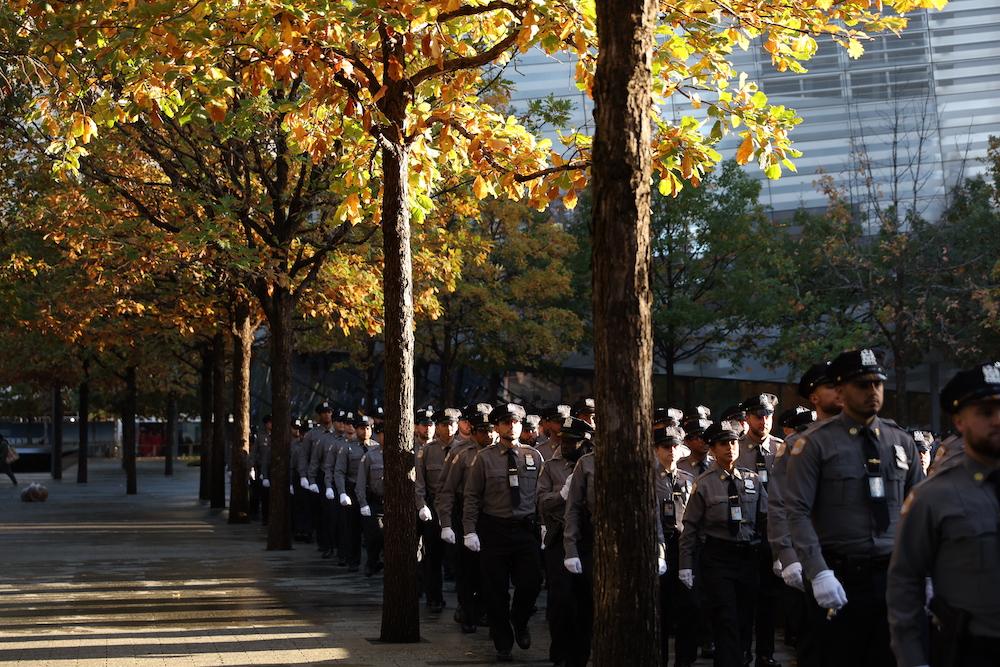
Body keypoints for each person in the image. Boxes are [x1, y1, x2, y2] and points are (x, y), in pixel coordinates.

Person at [784, 349, 924, 667]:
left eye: (877, 384)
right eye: (862, 384)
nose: (872, 392)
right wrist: (818, 572)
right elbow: (797, 511)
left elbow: (918, 511)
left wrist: (925, 571)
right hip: (839, 576)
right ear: (841, 389)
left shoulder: (900, 441)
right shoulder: (815, 444)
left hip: (891, 576)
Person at [887, 361, 1000, 667]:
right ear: (960, 421)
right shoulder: (933, 496)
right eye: (986, 412)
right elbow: (905, 583)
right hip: (971, 650)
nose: (998, 420)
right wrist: (912, 658)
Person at [679, 421, 768, 667]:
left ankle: (735, 659)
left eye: (732, 442)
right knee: (725, 617)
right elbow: (690, 527)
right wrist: (685, 565)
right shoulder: (705, 483)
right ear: (712, 449)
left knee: (744, 618)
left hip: (748, 556)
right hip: (718, 558)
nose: (730, 447)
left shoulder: (752, 480)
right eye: (722, 443)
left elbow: (766, 518)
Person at [463, 402, 542, 663]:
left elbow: (540, 495)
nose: (512, 426)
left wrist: (543, 526)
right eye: (506, 422)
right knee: (495, 592)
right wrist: (469, 530)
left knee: (531, 583)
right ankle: (503, 641)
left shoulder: (533, 455)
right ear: (497, 426)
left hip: (525, 530)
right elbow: (472, 497)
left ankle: (519, 620)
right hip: (494, 530)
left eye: (516, 421)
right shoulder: (483, 458)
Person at [538, 416, 594, 666]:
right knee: (561, 601)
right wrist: (561, 495)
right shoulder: (551, 466)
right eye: (565, 441)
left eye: (574, 442)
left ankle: (581, 654)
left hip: (588, 539)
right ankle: (560, 652)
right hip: (559, 537)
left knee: (585, 601)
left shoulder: (593, 465)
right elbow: (540, 501)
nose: (568, 446)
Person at [736, 394, 783, 667]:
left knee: (769, 598)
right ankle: (743, 651)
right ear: (748, 418)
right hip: (743, 530)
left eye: (767, 415)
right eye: (757, 415)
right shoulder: (736, 448)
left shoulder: (782, 449)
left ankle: (766, 654)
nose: (763, 421)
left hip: (773, 529)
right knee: (745, 597)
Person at [437, 404, 493, 628]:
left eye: (490, 429)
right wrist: (447, 523)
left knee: (489, 568)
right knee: (467, 568)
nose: (486, 435)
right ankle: (468, 611)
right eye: (480, 429)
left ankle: (484, 609)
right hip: (465, 514)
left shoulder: (502, 452)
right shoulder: (459, 452)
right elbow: (446, 489)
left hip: (491, 515)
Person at [654, 424, 698, 667]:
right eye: (665, 447)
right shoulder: (648, 479)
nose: (671, 451)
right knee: (661, 612)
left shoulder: (688, 479)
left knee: (689, 609)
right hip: (659, 549)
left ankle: (685, 661)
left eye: (675, 447)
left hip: (684, 549)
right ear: (656, 449)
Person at [415, 407, 460, 611]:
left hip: (458, 507)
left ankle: (464, 602)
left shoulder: (464, 449)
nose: (448, 428)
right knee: (432, 555)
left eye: (452, 424)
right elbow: (420, 482)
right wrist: (421, 504)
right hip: (434, 506)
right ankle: (434, 597)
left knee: (459, 557)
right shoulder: (427, 451)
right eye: (443, 424)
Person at [333, 413, 368, 572]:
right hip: (352, 490)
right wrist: (341, 492)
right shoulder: (347, 447)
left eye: (368, 428)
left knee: (373, 529)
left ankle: (373, 561)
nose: (365, 431)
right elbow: (339, 471)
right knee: (352, 528)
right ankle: (353, 560)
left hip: (371, 492)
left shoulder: (376, 447)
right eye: (361, 428)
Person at [304, 402, 340, 558]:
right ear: (319, 415)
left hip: (338, 477)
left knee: (336, 513)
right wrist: (308, 478)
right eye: (324, 412)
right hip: (321, 476)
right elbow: (307, 458)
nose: (327, 415)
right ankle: (325, 544)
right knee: (323, 513)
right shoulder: (312, 435)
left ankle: (336, 544)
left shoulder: (339, 434)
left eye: (329, 412)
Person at [355, 416, 385, 577]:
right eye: (380, 434)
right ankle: (372, 563)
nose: (383, 437)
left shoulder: (401, 453)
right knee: (374, 535)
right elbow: (360, 482)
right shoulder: (370, 456)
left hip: (395, 504)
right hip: (376, 501)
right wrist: (363, 503)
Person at [289, 418, 312, 542]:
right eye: (304, 433)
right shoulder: (295, 445)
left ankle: (308, 531)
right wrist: (291, 483)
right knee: (299, 506)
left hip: (312, 479)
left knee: (309, 507)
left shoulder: (315, 445)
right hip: (298, 478)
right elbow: (291, 466)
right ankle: (299, 530)